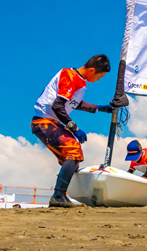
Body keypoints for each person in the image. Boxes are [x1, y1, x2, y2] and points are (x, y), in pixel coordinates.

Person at [30, 54, 114, 207]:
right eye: (99, 77)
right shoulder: (69, 75)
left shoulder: (80, 82)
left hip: (52, 122)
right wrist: (74, 128)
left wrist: (99, 108)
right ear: (92, 70)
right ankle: (58, 196)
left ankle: (62, 195)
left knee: (73, 161)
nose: (98, 80)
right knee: (74, 151)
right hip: (43, 121)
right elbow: (57, 106)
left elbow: (75, 104)